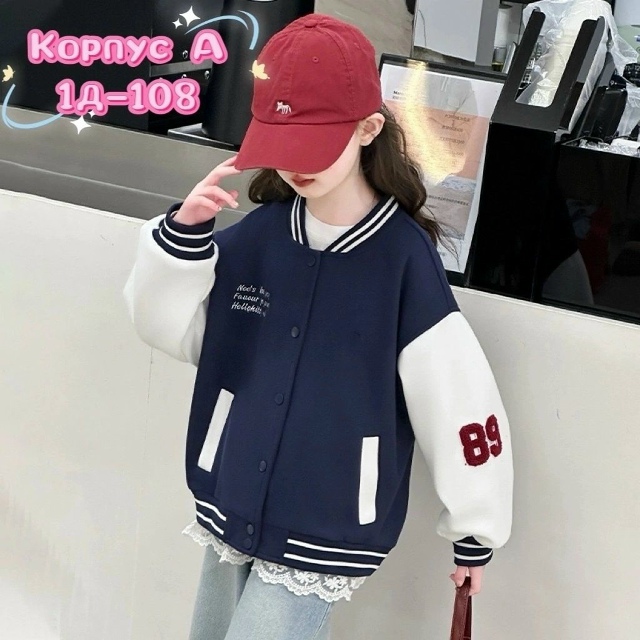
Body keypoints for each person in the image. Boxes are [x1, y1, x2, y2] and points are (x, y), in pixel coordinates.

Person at [123, 14, 513, 640]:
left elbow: (457, 396)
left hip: (327, 513)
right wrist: (182, 241)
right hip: (232, 490)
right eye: (281, 143)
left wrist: (476, 528)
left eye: (312, 144)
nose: (295, 168)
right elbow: (176, 333)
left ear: (368, 129)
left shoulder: (402, 261)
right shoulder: (258, 236)